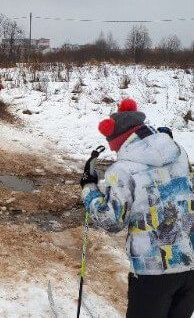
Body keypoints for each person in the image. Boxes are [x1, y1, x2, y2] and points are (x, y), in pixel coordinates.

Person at [80, 98, 194, 318]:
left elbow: (112, 221)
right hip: (190, 264)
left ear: (119, 141)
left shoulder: (122, 170)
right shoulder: (178, 152)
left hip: (153, 272)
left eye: (114, 147)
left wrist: (89, 189)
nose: (115, 153)